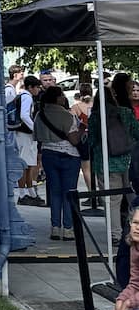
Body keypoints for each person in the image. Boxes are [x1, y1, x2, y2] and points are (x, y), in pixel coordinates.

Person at [88, 72, 139, 237]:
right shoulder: (126, 112)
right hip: (128, 160)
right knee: (133, 196)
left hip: (105, 162)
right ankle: (135, 229)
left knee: (112, 200)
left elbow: (92, 140)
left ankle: (115, 234)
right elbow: (137, 133)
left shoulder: (95, 116)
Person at [33, 85, 83, 240]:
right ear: (57, 98)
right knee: (69, 192)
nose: (64, 97)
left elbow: (37, 137)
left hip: (49, 154)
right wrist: (82, 130)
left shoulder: (39, 115)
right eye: (62, 95)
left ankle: (55, 227)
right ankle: (68, 228)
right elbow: (74, 140)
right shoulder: (67, 116)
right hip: (68, 155)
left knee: (55, 192)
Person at [15, 75, 43, 205]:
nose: (38, 89)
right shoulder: (27, 97)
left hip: (24, 134)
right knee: (25, 164)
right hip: (26, 134)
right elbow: (24, 115)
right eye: (37, 87)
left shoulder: (23, 96)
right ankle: (23, 193)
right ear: (31, 87)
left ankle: (29, 191)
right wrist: (34, 129)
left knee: (29, 164)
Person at [71, 86, 96, 205]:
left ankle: (92, 194)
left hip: (84, 138)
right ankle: (100, 193)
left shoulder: (76, 107)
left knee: (86, 168)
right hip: (97, 138)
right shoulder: (97, 105)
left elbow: (73, 123)